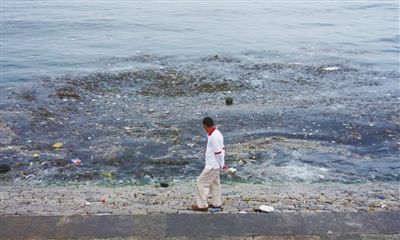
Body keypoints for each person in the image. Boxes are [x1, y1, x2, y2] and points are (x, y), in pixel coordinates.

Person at [191, 117, 226, 211]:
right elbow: (222, 149)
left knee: (201, 182)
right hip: (216, 165)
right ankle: (216, 203)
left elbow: (218, 152)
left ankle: (202, 205)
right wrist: (222, 163)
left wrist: (223, 164)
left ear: (205, 126)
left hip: (212, 165)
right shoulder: (217, 133)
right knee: (215, 184)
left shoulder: (213, 136)